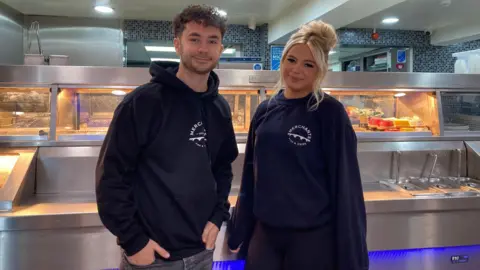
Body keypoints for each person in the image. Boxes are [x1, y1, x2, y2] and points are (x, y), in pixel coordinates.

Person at [95, 4, 238, 270]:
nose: (203, 49)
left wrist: (218, 216)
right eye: (194, 39)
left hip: (202, 252)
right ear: (177, 44)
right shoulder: (142, 103)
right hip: (153, 258)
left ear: (220, 48)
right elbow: (111, 178)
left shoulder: (219, 108)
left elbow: (222, 169)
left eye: (212, 41)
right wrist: (134, 241)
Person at [227, 20, 369, 270]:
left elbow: (346, 188)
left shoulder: (330, 113)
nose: (296, 70)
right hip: (265, 235)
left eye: (308, 64)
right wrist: (240, 228)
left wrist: (353, 257)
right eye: (291, 60)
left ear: (320, 70)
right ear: (281, 61)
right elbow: (251, 173)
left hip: (312, 239)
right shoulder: (265, 110)